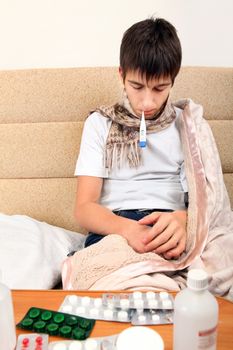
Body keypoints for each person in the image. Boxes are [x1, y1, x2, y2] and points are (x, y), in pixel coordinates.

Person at [74, 17, 188, 260]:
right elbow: (84, 208)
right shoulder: (99, 124)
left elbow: (207, 202)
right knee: (107, 269)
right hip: (115, 226)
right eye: (137, 86)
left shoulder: (188, 125)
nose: (147, 102)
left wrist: (183, 220)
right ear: (121, 75)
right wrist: (129, 230)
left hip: (170, 222)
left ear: (173, 81)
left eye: (159, 88)